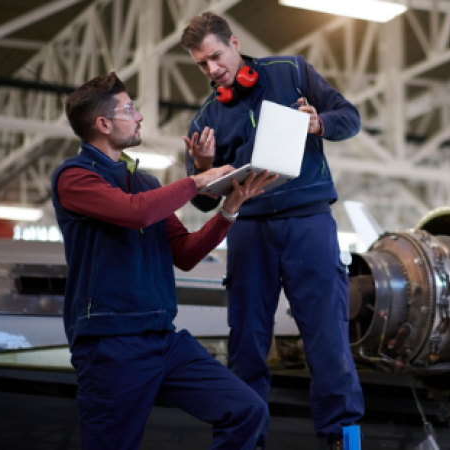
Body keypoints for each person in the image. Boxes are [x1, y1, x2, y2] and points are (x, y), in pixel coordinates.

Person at [51, 72, 278, 450]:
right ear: (103, 124)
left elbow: (184, 253)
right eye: (130, 109)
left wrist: (228, 211)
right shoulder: (75, 178)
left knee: (247, 410)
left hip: (164, 340)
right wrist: (198, 180)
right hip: (111, 345)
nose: (139, 117)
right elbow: (134, 214)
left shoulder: (145, 184)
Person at [180, 12, 364, 450]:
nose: (212, 69)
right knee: (245, 345)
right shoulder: (205, 119)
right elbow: (202, 199)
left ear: (235, 42)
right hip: (249, 229)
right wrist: (204, 171)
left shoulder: (292, 72)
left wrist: (319, 123)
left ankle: (348, 443)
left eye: (216, 56)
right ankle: (242, 443)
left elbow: (350, 117)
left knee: (329, 341)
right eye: (201, 64)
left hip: (309, 222)